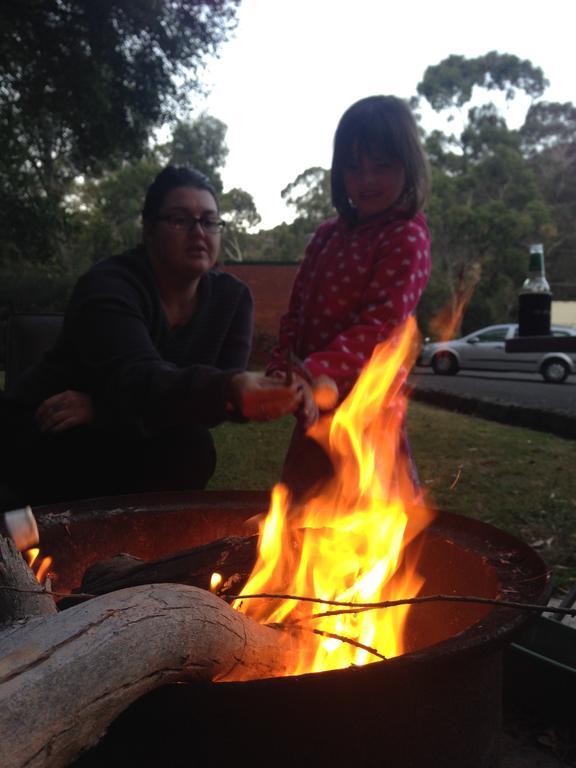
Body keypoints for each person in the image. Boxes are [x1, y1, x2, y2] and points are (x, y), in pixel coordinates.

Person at [1, 166, 315, 511]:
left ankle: (142, 556)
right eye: (180, 220)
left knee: (191, 447)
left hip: (133, 434)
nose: (199, 232)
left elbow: (209, 408)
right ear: (149, 229)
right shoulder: (110, 286)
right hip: (52, 432)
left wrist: (103, 408)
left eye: (209, 221)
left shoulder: (233, 300)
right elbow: (136, 377)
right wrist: (226, 389)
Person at [267, 95, 432, 498]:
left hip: (370, 415)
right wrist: (282, 370)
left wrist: (312, 372)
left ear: (407, 168)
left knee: (370, 522)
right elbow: (297, 312)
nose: (367, 180)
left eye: (382, 166)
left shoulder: (406, 237)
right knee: (298, 518)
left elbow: (379, 329)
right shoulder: (325, 237)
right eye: (354, 168)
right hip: (314, 409)